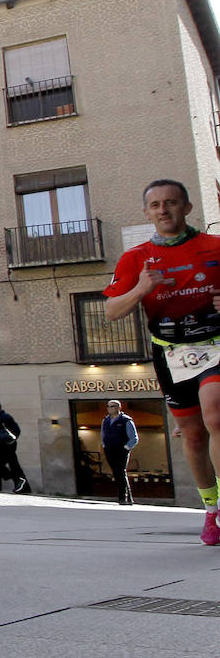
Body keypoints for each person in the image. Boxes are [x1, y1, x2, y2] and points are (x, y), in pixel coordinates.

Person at [104, 179, 220, 543]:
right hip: (170, 352)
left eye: (171, 203)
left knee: (215, 411)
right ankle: (212, 509)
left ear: (186, 207)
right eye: (155, 205)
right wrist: (140, 289)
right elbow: (111, 311)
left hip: (216, 343)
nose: (163, 210)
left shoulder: (214, 246)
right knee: (194, 434)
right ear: (147, 213)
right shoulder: (135, 258)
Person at [99, 399, 139, 505]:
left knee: (120, 471)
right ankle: (128, 498)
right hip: (109, 449)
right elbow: (103, 434)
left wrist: (126, 447)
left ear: (118, 408)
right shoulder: (106, 420)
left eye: (112, 406)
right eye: (108, 406)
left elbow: (134, 438)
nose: (109, 408)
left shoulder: (126, 420)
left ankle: (123, 497)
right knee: (117, 473)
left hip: (121, 449)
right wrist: (104, 445)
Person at [0, 399, 30, 493]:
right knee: (9, 466)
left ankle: (21, 484)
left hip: (7, 447)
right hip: (3, 447)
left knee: (8, 466)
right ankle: (21, 485)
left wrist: (10, 441)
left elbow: (16, 431)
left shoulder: (5, 417)